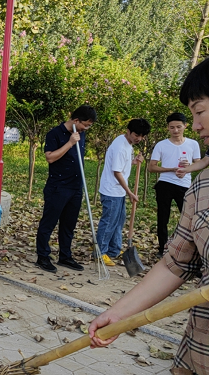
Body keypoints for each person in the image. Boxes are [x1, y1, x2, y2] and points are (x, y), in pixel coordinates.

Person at [89, 58, 209, 375]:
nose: (196, 124)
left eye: (199, 112)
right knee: (115, 223)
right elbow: (176, 263)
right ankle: (103, 252)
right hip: (199, 351)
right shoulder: (202, 190)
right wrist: (119, 314)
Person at [35, 105, 97, 273]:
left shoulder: (81, 134)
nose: (86, 128)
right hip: (58, 186)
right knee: (49, 222)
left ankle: (65, 255)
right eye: (86, 124)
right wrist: (70, 143)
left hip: (76, 187)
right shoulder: (54, 134)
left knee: (69, 224)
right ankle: (43, 256)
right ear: (76, 120)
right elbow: (50, 157)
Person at [96, 118, 151, 266]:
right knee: (109, 222)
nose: (139, 138)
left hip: (118, 190)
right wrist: (129, 192)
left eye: (142, 136)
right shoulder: (121, 146)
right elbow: (117, 171)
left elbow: (121, 162)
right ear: (128, 131)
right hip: (111, 190)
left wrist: (134, 161)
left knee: (119, 220)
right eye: (136, 135)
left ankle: (114, 250)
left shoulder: (126, 143)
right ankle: (100, 252)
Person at [149, 113, 201, 258]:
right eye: (172, 127)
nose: (176, 130)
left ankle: (190, 250)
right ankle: (162, 249)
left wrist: (188, 167)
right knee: (162, 218)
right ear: (168, 128)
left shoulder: (193, 144)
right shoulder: (161, 144)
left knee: (188, 219)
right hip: (165, 183)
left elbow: (199, 163)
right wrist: (170, 169)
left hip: (184, 185)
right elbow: (152, 167)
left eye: (179, 127)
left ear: (185, 126)